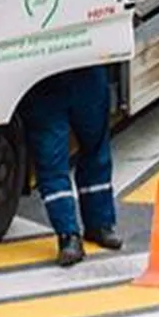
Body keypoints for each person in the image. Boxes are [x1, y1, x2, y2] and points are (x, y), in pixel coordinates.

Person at [23, 65, 122, 266]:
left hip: (82, 68)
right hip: (41, 79)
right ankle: (68, 234)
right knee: (52, 163)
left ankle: (99, 225)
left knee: (94, 149)